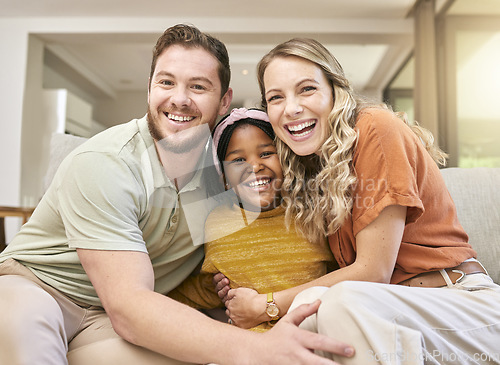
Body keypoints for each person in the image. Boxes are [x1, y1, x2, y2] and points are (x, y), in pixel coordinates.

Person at [0, 26, 355, 365]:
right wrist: (259, 347)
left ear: (223, 101)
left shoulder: (226, 170)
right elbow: (130, 306)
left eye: (198, 87)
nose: (179, 99)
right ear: (150, 88)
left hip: (104, 319)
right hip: (39, 288)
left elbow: (274, 219)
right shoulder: (107, 163)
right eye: (166, 82)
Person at [214, 37, 500, 364]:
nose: (291, 108)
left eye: (306, 89)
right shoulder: (314, 167)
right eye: (276, 97)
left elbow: (373, 272)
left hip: (463, 307)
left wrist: (264, 304)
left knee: (339, 300)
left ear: (335, 91)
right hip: (393, 316)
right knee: (303, 318)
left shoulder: (375, 129)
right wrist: (231, 277)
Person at [168, 107, 335, 332]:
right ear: (224, 178)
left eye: (266, 153)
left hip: (315, 335)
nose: (255, 166)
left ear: (285, 159)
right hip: (246, 347)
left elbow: (339, 276)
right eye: (238, 160)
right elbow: (212, 288)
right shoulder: (216, 223)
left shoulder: (312, 213)